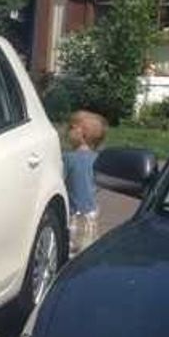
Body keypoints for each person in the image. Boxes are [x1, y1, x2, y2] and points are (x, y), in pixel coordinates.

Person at [64, 109, 106, 254]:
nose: (67, 131)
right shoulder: (99, 160)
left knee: (68, 251)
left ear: (82, 134)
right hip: (91, 213)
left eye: (71, 128)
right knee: (87, 250)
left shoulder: (68, 158)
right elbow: (99, 184)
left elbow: (60, 181)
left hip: (73, 214)